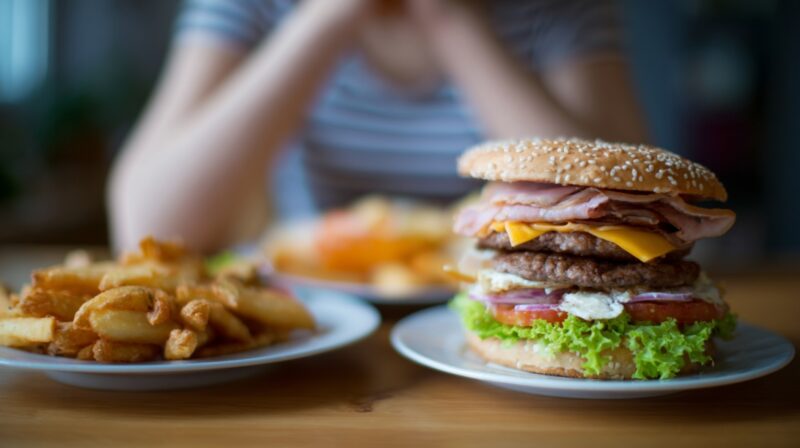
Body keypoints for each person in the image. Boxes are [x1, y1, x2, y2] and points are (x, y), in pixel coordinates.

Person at [109, 0, 647, 253]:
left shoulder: (560, 10)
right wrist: (327, 17)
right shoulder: (251, 6)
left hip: (509, 304)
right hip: (315, 324)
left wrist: (448, 18)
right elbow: (149, 228)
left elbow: (635, 213)